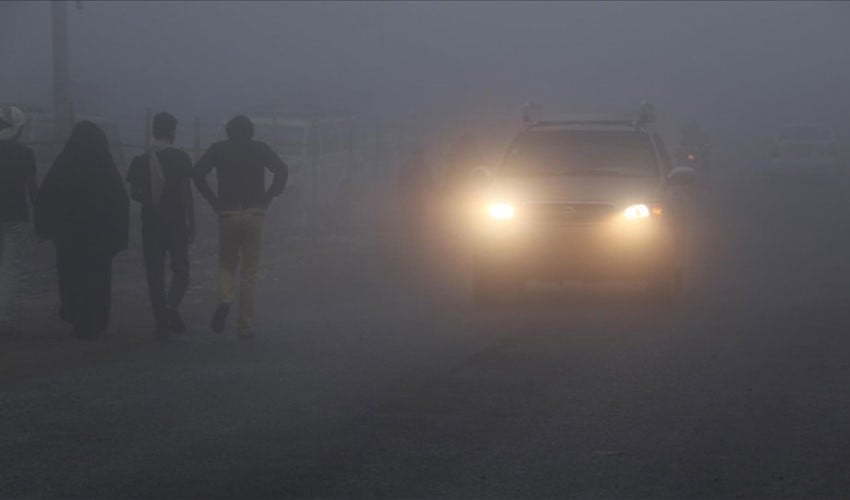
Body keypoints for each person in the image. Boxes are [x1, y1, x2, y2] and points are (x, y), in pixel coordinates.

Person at [194, 115, 287, 339]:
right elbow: (281, 170)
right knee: (249, 270)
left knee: (226, 264)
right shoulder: (260, 149)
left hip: (227, 213)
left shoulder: (218, 149)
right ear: (250, 131)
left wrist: (213, 200)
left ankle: (226, 299)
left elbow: (197, 173)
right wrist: (269, 196)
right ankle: (244, 325)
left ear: (228, 131)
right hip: (255, 213)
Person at [34, 121, 129, 339]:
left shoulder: (64, 163)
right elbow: (119, 200)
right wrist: (119, 236)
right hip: (100, 236)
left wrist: (46, 228)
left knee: (72, 277)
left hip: (69, 236)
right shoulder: (105, 166)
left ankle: (77, 317)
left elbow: (46, 197)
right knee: (98, 278)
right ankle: (95, 320)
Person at [127, 112, 195, 340]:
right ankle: (171, 307)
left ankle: (161, 323)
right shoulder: (181, 158)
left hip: (151, 223)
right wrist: (191, 222)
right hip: (176, 222)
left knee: (154, 273)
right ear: (173, 133)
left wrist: (151, 196)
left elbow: (134, 194)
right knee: (181, 270)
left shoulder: (140, 160)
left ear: (154, 132)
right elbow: (187, 193)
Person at [0, 105, 38, 335]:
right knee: (11, 267)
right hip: (16, 215)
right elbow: (33, 190)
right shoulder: (25, 154)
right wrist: (43, 217)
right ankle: (3, 316)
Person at [396, 144, 435, 249]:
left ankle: (414, 240)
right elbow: (429, 181)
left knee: (415, 219)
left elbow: (429, 181)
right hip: (412, 197)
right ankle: (414, 240)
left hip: (415, 198)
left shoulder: (414, 166)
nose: (421, 156)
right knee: (414, 219)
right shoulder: (414, 166)